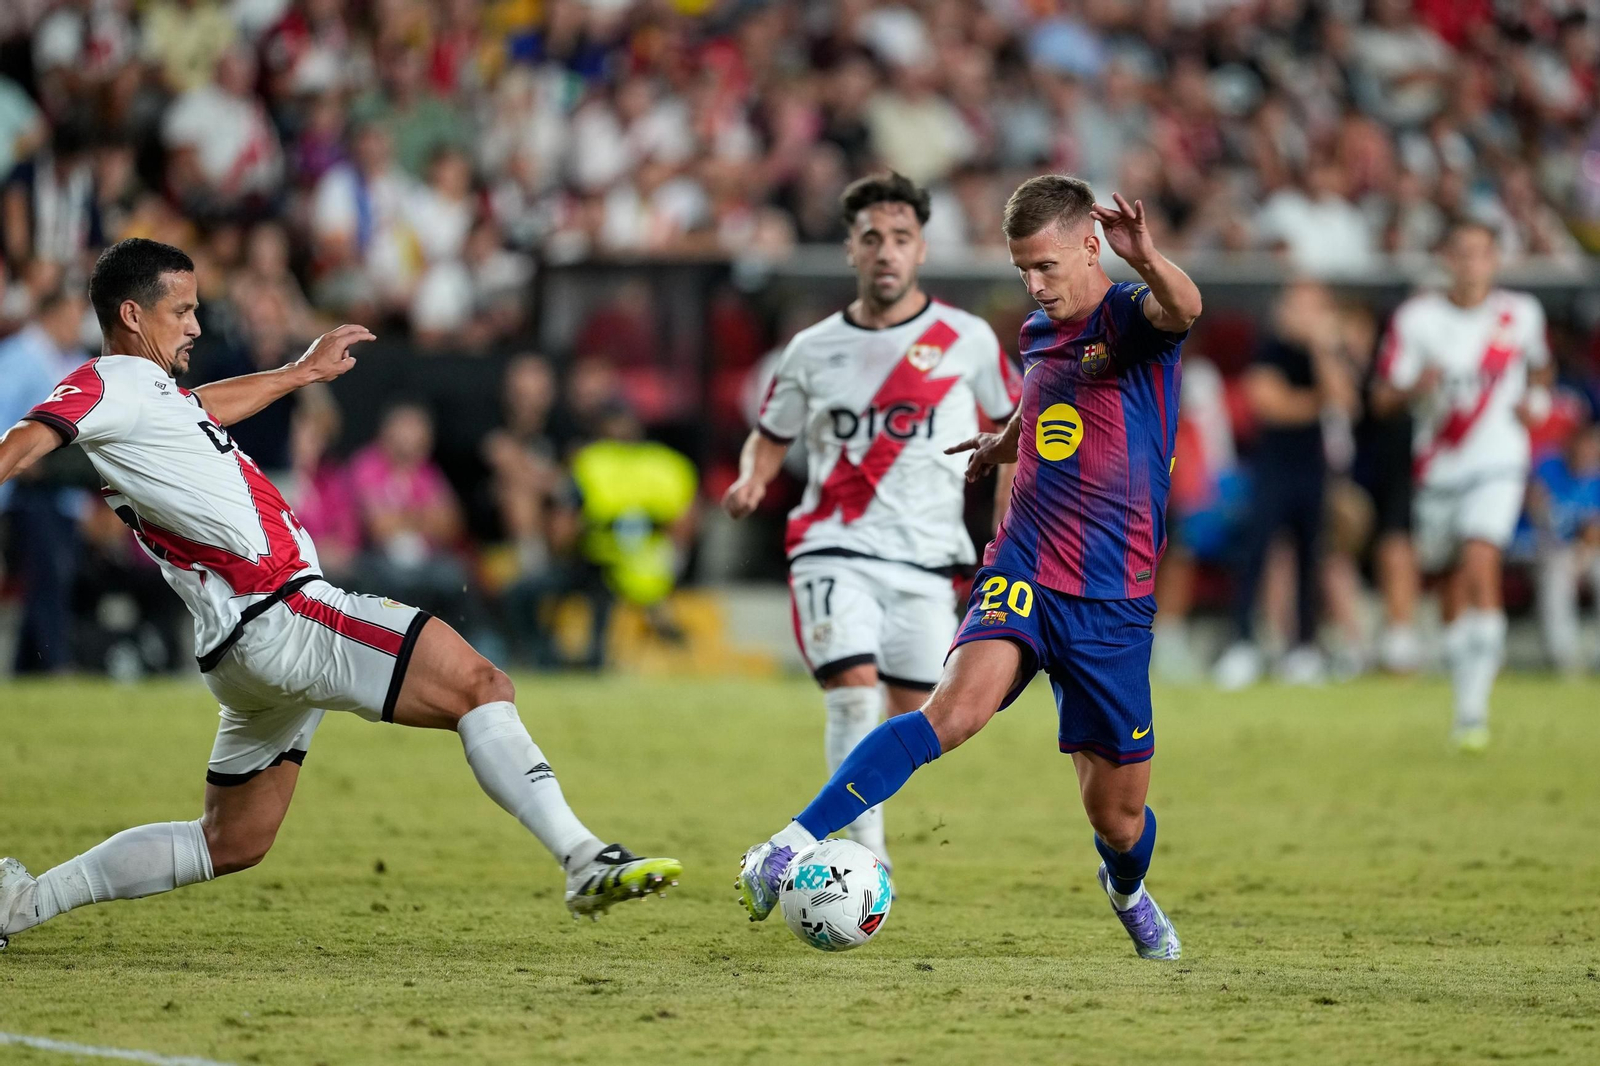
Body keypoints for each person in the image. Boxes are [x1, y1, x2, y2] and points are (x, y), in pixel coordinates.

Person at [0, 239, 680, 951]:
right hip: (285, 613)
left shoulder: (153, 400)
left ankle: (22, 903)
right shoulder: (106, 383)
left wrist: (299, 373)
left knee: (230, 841)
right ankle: (582, 857)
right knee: (483, 685)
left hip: (240, 647)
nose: (197, 326)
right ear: (133, 314)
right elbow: (25, 437)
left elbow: (203, 407)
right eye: (184, 311)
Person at [735, 175, 1201, 960]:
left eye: (1046, 267)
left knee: (1117, 820)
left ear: (1093, 247)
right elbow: (1049, 398)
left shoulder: (1130, 317)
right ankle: (787, 843)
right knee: (950, 716)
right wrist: (1003, 441)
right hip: (1024, 563)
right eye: (1023, 268)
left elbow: (1183, 309)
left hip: (1113, 598)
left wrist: (1148, 258)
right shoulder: (1036, 331)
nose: (1033, 284)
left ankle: (1126, 888)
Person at [722, 172, 1021, 868]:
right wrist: (751, 479)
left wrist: (1008, 523)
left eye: (901, 238)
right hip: (834, 545)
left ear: (921, 251)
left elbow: (1017, 430)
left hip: (928, 559)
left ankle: (854, 833)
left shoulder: (966, 339)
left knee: (922, 720)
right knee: (853, 691)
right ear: (851, 252)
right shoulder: (812, 349)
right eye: (871, 239)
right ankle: (864, 857)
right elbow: (771, 434)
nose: (886, 251)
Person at [1375, 219, 1553, 751]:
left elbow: (1541, 369)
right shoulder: (1417, 319)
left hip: (1499, 459)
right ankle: (1466, 707)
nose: (1472, 263)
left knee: (1482, 561)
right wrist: (1414, 388)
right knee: (1452, 586)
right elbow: (1381, 398)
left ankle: (1476, 711)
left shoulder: (1520, 315)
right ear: (1446, 258)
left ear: (1495, 260)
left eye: (1482, 253)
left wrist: (1537, 403)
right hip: (1439, 468)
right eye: (1463, 253)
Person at [1213, 280, 1358, 689]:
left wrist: (1322, 350)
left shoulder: (1327, 355)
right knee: (1257, 553)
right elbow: (1268, 406)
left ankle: (1305, 648)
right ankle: (1242, 643)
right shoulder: (1269, 349)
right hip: (1272, 468)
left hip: (1313, 468)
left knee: (1312, 556)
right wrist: (1318, 402)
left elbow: (1345, 402)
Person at [1528, 422, 1600, 676]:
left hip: (1587, 551)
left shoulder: (1596, 478)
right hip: (1547, 547)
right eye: (1584, 447)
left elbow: (1593, 533)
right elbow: (1537, 509)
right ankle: (1563, 656)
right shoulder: (1550, 467)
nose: (1589, 453)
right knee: (1556, 573)